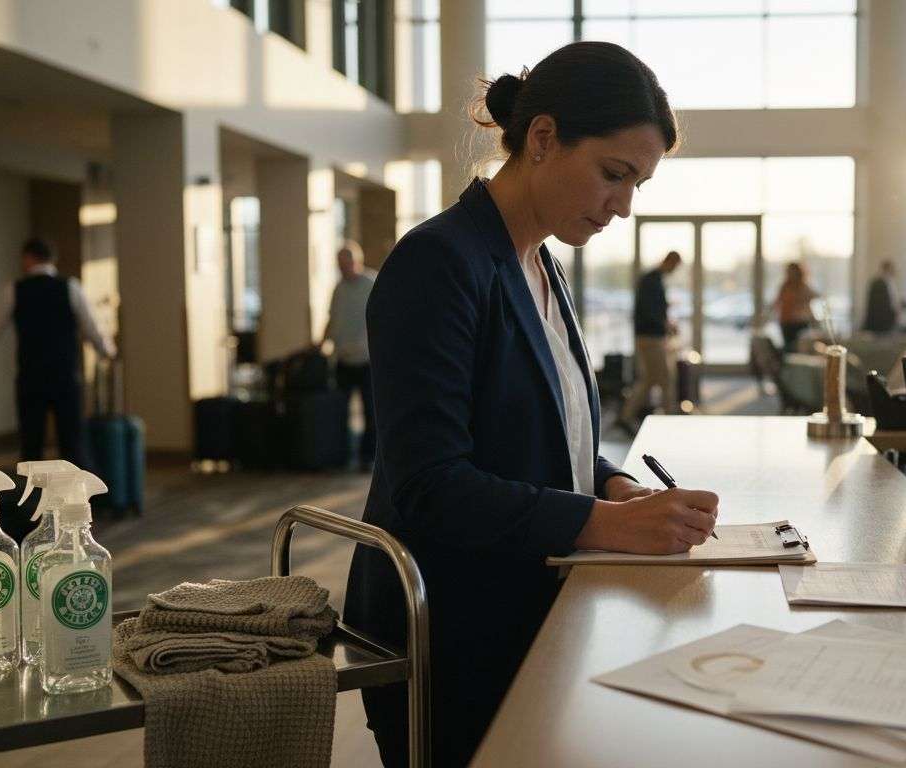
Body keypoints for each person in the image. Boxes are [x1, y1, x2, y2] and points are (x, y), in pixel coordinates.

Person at [343, 42, 720, 768]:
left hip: (530, 601)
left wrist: (613, 481)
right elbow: (430, 485)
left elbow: (546, 425)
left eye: (638, 184)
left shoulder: (541, 261)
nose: (624, 206)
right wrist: (604, 522)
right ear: (542, 138)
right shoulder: (439, 262)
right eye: (615, 175)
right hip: (455, 626)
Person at [0, 237, 116, 464]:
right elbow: (92, 327)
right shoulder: (70, 287)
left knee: (31, 441)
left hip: (31, 374)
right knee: (72, 440)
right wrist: (107, 350)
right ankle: (78, 495)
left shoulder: (15, 290)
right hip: (64, 373)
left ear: (27, 258)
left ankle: (31, 496)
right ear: (53, 259)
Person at [318, 240, 376, 473]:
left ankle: (368, 458)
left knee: (370, 412)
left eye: (347, 263)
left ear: (358, 261)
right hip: (342, 360)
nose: (344, 268)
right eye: (340, 264)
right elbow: (332, 319)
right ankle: (342, 456)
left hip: (367, 360)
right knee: (339, 411)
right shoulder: (338, 289)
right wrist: (322, 343)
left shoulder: (372, 283)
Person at [618, 250, 682, 431]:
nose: (674, 270)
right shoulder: (652, 280)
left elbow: (653, 307)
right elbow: (651, 311)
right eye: (675, 266)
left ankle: (626, 417)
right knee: (667, 380)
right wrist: (666, 324)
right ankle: (669, 420)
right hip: (651, 337)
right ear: (669, 261)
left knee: (648, 380)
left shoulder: (653, 279)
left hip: (647, 336)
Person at [772, 261, 817, 351]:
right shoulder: (785, 287)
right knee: (788, 348)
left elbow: (813, 297)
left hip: (799, 323)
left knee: (798, 348)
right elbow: (777, 302)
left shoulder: (802, 287)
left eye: (792, 271)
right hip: (786, 322)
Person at [863, 259, 904, 334]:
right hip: (880, 325)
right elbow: (879, 307)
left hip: (888, 323)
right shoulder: (878, 284)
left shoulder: (889, 282)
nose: (895, 270)